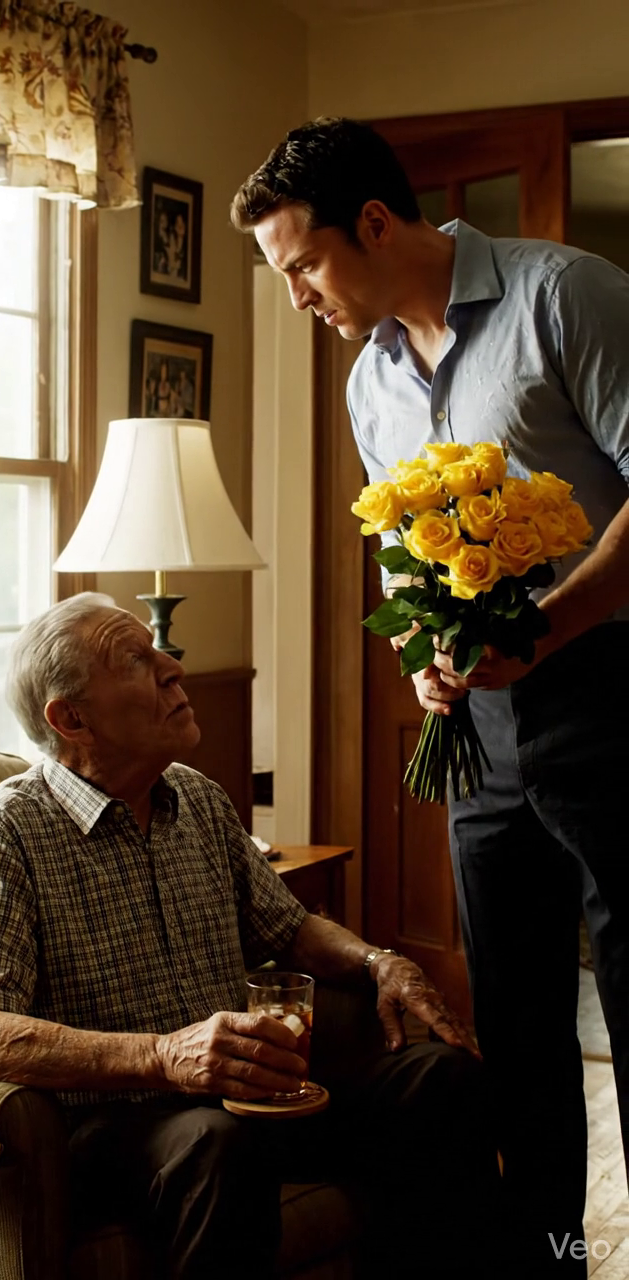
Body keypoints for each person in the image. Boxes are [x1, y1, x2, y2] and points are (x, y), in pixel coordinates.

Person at [231, 115, 629, 1277]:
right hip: (478, 735)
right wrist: (422, 653)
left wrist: (550, 623)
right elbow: (405, 554)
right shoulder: (369, 389)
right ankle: (556, 1253)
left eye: (302, 264)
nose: (298, 297)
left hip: (613, 696)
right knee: (515, 1018)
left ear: (375, 221)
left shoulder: (567, 296)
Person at [0, 593, 502, 1280]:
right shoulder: (4, 833)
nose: (173, 668)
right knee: (214, 1142)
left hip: (250, 1097)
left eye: (158, 650)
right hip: (118, 1126)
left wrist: (379, 961)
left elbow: (291, 929)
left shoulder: (196, 797)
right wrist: (165, 1055)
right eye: (135, 661)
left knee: (438, 1078)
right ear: (70, 718)